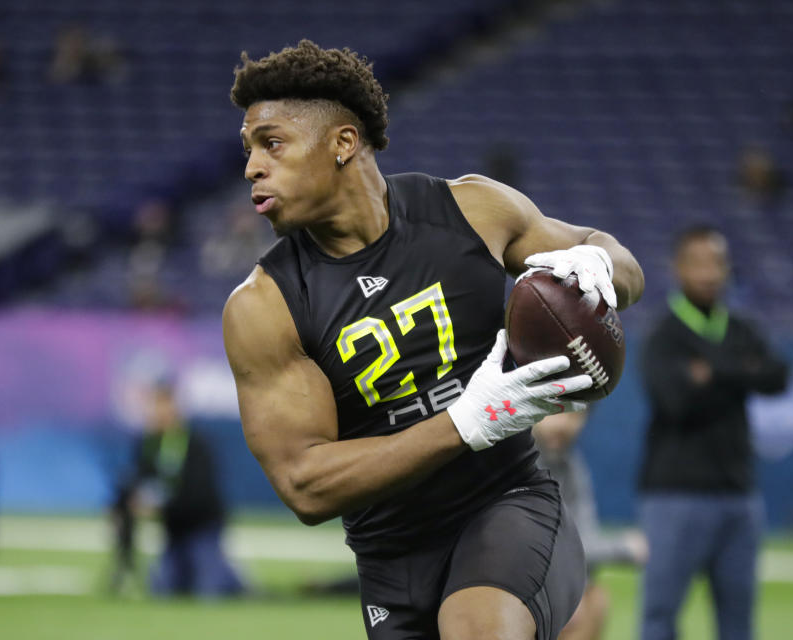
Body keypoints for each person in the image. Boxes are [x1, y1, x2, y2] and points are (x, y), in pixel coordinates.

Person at [222, 40, 644, 640]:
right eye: (249, 150)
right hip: (391, 559)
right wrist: (465, 423)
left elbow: (617, 260)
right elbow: (305, 485)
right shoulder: (264, 306)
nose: (252, 168)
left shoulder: (472, 210)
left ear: (343, 143)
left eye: (272, 143)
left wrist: (602, 266)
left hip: (507, 506)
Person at [638, 226, 790, 640]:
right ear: (678, 268)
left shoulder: (740, 326)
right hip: (675, 496)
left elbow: (779, 376)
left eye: (717, 263)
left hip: (739, 496)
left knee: (739, 622)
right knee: (660, 616)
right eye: (698, 262)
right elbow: (675, 399)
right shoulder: (662, 334)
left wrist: (711, 372)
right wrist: (742, 372)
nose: (709, 273)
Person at [114, 378, 243, 597]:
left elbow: (201, 496)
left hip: (202, 528)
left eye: (164, 405)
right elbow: (134, 482)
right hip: (174, 533)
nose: (159, 412)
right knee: (163, 590)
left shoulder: (195, 443)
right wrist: (122, 505)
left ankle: (232, 576)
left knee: (210, 591)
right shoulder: (147, 444)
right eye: (155, 405)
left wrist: (161, 508)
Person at [532, 410, 648, 640]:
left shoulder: (571, 464)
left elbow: (582, 537)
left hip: (550, 584)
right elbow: (541, 548)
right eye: (555, 412)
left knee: (594, 598)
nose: (563, 424)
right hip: (507, 584)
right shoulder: (518, 465)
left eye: (575, 415)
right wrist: (624, 547)